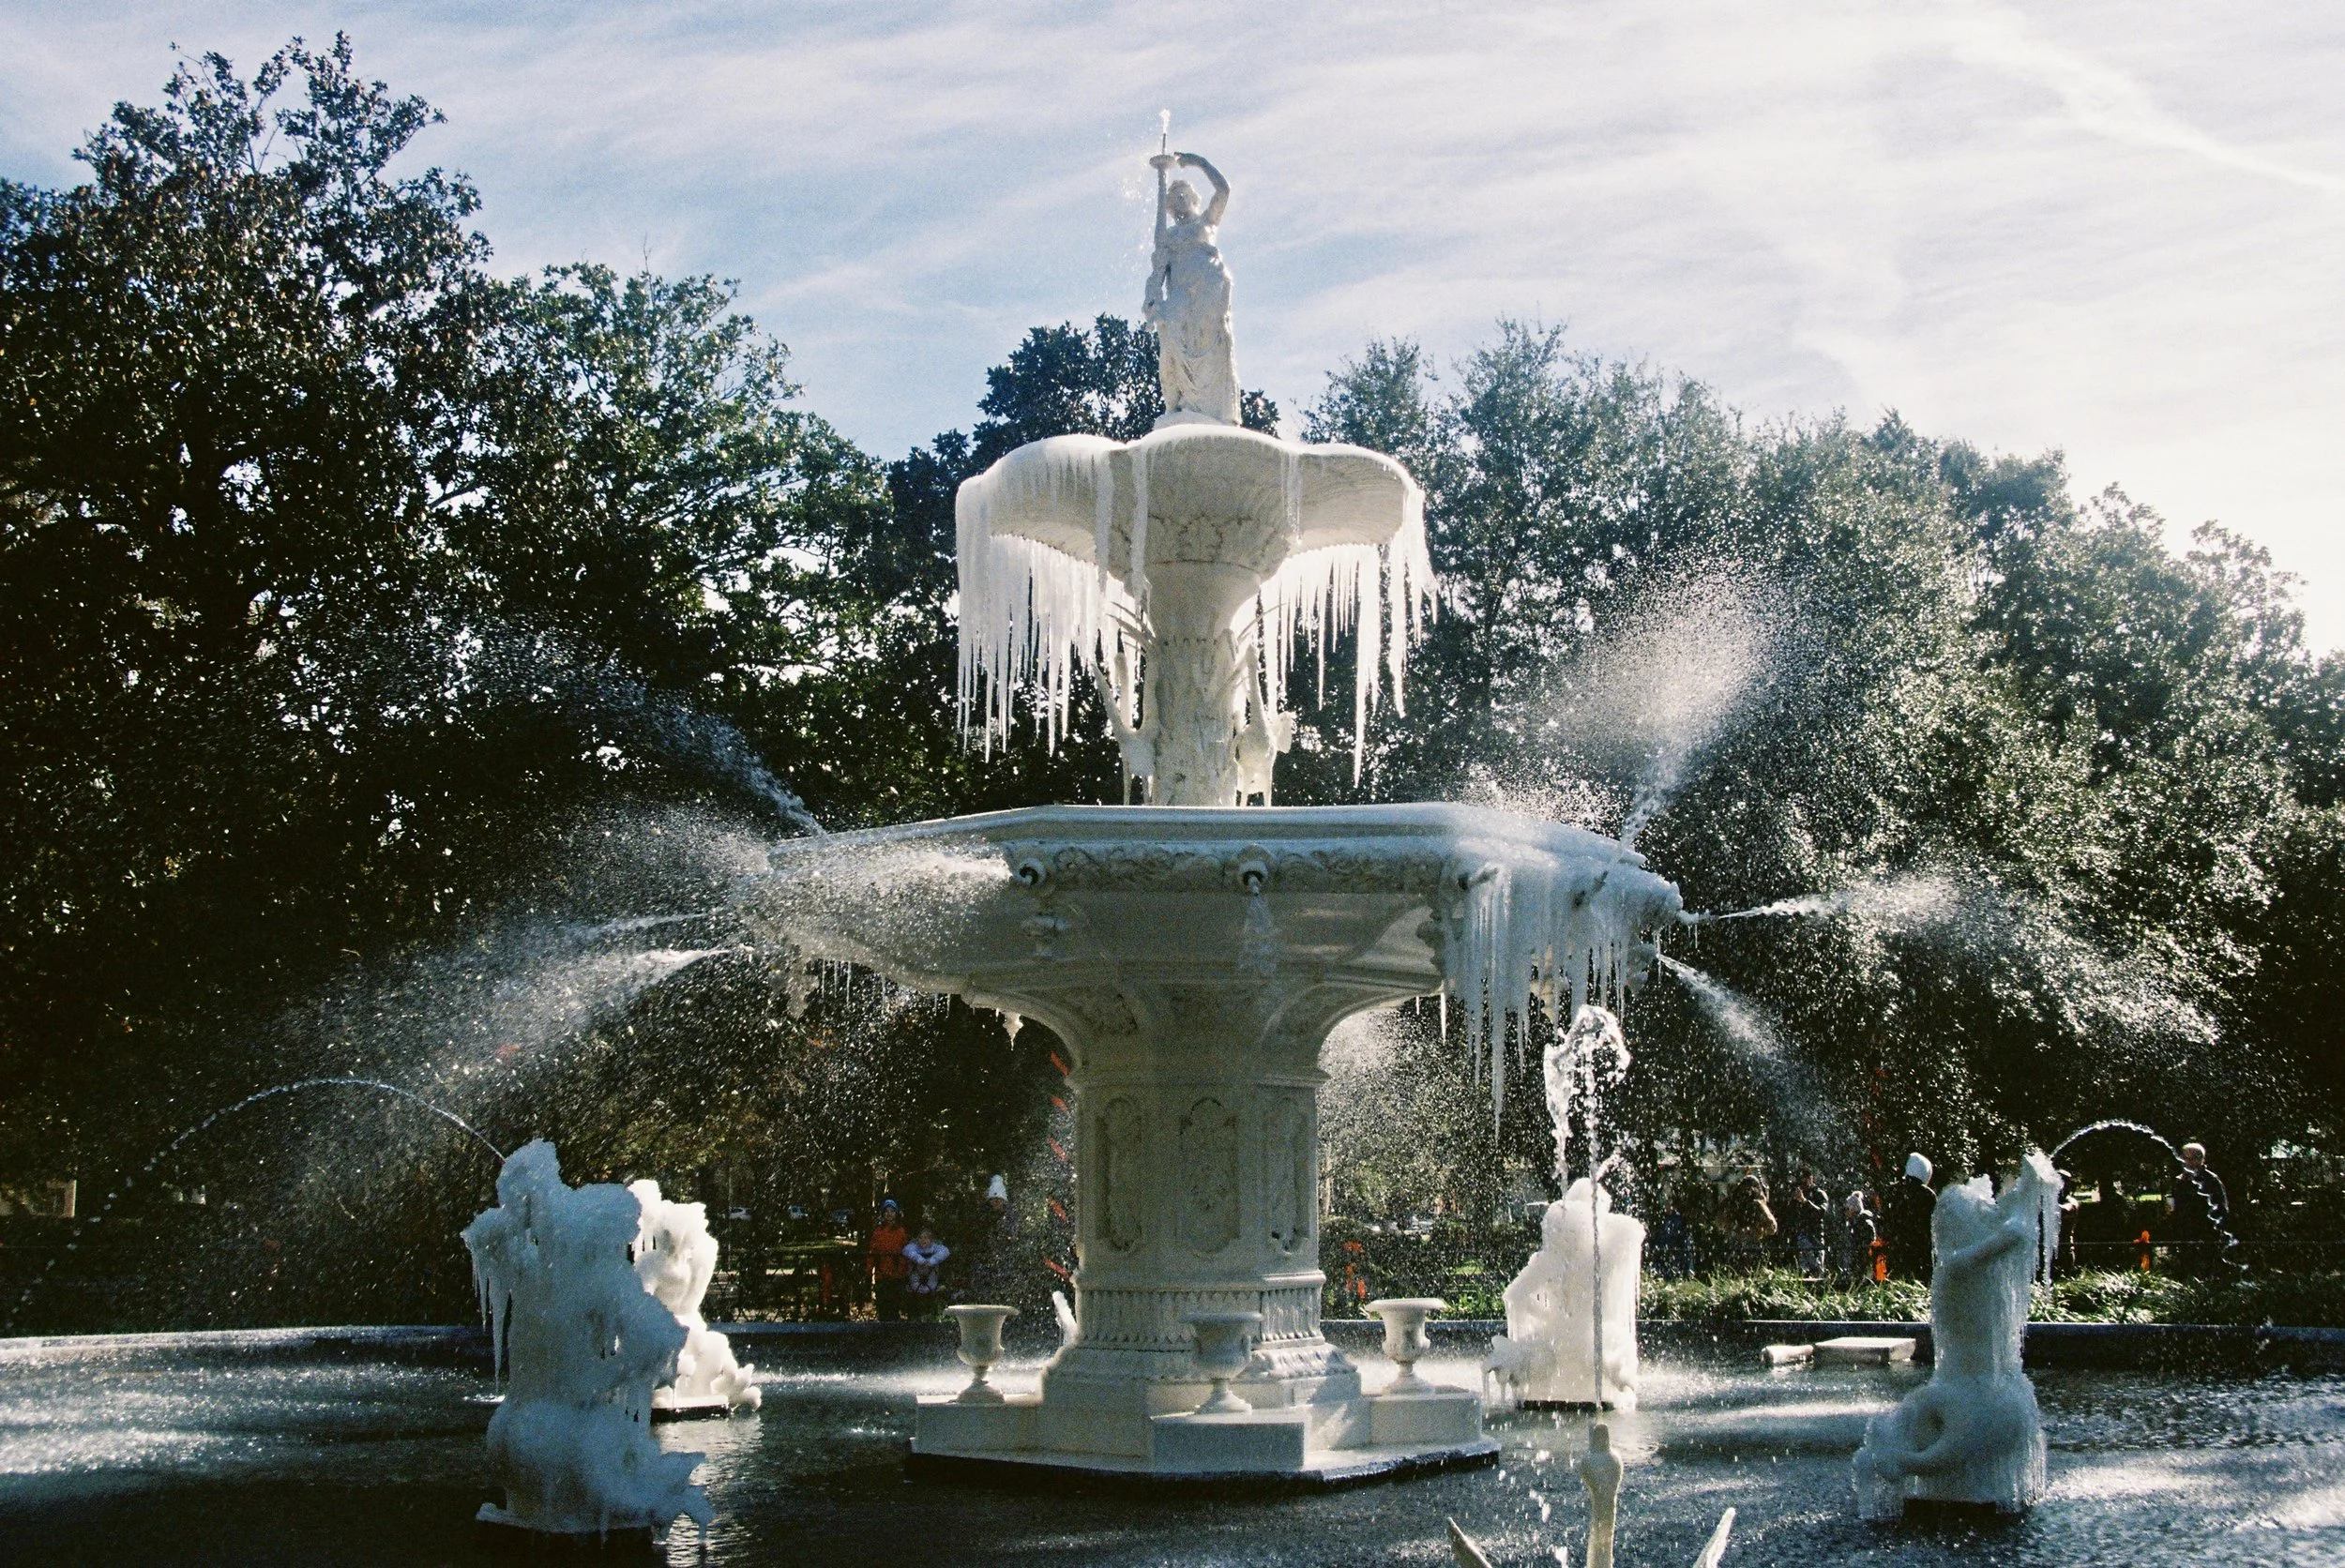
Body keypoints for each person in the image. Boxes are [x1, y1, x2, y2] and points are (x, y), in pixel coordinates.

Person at [1143, 150, 1239, 424]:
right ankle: (1178, 401)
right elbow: (1158, 271)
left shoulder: (1207, 221)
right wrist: (1151, 298)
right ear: (1170, 208)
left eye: (1184, 194)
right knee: (1168, 325)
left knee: (1209, 338)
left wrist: (1200, 163)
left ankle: (1207, 409)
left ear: (1195, 198)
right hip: (1182, 294)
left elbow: (1224, 189)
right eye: (1174, 198)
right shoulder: (1168, 237)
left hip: (1211, 287)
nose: (1180, 200)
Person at [2165, 1141, 2234, 1276]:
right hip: (2184, 1231)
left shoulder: (2210, 1180)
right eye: (2184, 1158)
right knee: (2185, 1267)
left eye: (2191, 1159)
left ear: (2201, 1160)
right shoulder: (2179, 1180)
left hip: (2205, 1232)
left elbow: (2222, 1208)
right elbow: (2173, 1203)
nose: (2187, 1162)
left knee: (2205, 1269)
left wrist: (2215, 1230)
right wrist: (2170, 1210)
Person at [1882, 1153, 1937, 1281]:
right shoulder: (1928, 1195)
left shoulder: (1893, 1190)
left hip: (1896, 1247)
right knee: (1920, 1280)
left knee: (1896, 1279)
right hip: (1920, 1248)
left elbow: (1885, 1217)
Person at [1714, 1174, 1778, 1269]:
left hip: (1734, 1244)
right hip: (1748, 1245)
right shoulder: (1757, 1204)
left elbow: (1718, 1224)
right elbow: (1772, 1227)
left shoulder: (1730, 1202)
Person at [864, 1198, 911, 1321]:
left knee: (894, 1305)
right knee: (883, 1305)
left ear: (896, 1213)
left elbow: (905, 1251)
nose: (889, 1214)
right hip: (881, 1273)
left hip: (897, 1274)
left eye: (892, 1211)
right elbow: (872, 1252)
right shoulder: (877, 1232)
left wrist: (903, 1270)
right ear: (883, 1214)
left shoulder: (901, 1231)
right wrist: (869, 1271)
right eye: (887, 1211)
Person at [901, 1225, 950, 1319]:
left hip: (932, 1281)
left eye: (926, 1237)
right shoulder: (913, 1247)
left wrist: (932, 1261)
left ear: (931, 1239)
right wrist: (920, 1260)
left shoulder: (936, 1247)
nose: (923, 1240)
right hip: (915, 1283)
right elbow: (906, 1250)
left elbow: (945, 1251)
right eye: (921, 1237)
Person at [1789, 1169, 1830, 1277]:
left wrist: (1805, 1201)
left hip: (1814, 1235)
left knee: (1817, 1267)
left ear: (1811, 1179)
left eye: (1804, 1182)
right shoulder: (1797, 1195)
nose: (1803, 1186)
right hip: (1800, 1236)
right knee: (1802, 1270)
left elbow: (1820, 1212)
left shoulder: (1819, 1194)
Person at [1842, 1189, 1882, 1282]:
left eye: (1847, 1209)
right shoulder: (1853, 1223)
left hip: (1865, 1261)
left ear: (1854, 1208)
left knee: (1866, 1282)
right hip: (1858, 1260)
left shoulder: (1864, 1222)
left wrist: (1861, 1255)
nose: (1845, 1212)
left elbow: (1870, 1244)